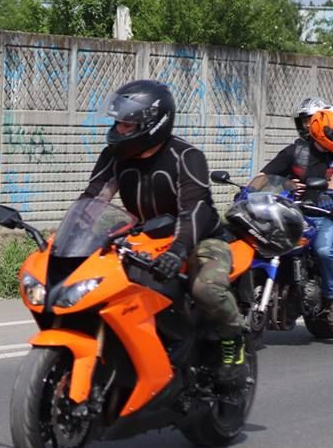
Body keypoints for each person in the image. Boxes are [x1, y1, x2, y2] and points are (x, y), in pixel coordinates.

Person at [81, 79, 248, 386]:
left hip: (200, 240)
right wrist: (68, 240)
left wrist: (178, 250)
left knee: (206, 289)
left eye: (127, 124)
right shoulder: (114, 156)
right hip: (144, 240)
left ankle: (233, 341)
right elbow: (93, 199)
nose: (118, 129)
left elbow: (194, 210)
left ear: (153, 124)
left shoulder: (187, 156)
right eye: (117, 122)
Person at [258, 99, 333, 309]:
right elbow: (264, 177)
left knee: (323, 250)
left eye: (311, 120)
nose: (307, 125)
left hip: (325, 215)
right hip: (294, 212)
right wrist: (286, 184)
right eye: (305, 121)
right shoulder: (295, 151)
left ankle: (330, 296)